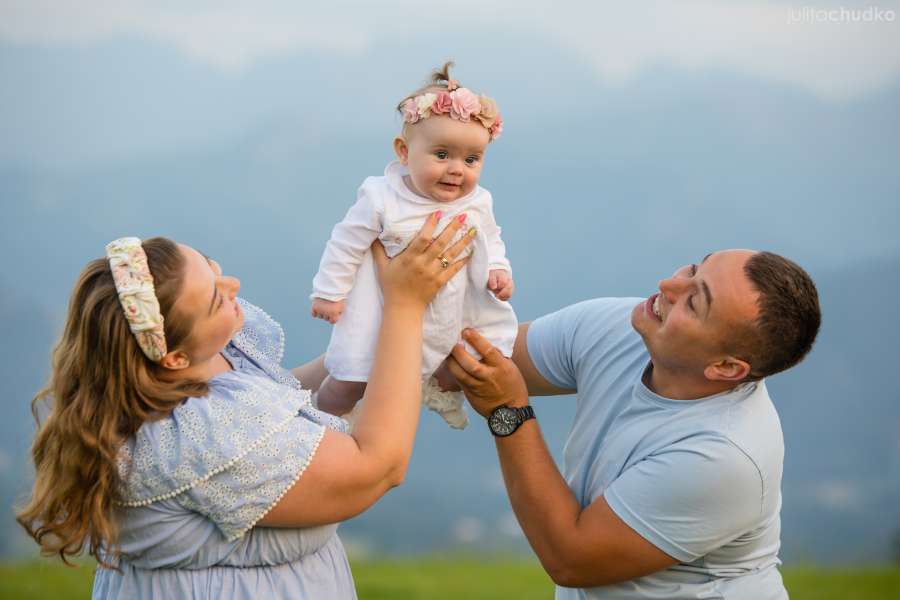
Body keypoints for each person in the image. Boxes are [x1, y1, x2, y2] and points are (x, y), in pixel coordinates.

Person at [16, 217, 472, 599]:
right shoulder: (197, 439)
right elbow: (377, 467)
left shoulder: (178, 372)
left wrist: (381, 361)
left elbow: (273, 409)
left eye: (214, 268)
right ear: (172, 356)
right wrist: (405, 308)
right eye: (216, 296)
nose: (232, 285)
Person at [448, 249, 821, 600]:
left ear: (725, 368)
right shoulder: (623, 328)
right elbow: (463, 360)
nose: (668, 286)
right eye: (693, 269)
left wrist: (508, 412)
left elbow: (570, 558)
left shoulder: (723, 456)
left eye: (693, 302)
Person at [309, 62, 516, 429]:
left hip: (450, 304)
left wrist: (499, 269)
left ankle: (438, 395)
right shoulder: (381, 198)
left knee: (460, 362)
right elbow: (346, 242)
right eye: (441, 155)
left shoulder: (477, 201)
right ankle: (314, 422)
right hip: (381, 306)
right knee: (351, 378)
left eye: (471, 160)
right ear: (404, 152)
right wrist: (330, 292)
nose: (457, 169)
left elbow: (491, 236)